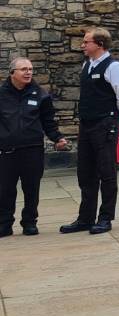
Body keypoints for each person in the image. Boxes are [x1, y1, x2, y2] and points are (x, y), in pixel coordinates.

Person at [61, 27, 119, 235]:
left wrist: (113, 119)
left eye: (86, 42)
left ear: (99, 44)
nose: (82, 45)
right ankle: (85, 217)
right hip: (87, 124)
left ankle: (105, 217)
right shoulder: (87, 65)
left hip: (105, 124)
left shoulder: (113, 67)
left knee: (106, 171)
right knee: (86, 172)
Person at [2, 57, 69, 237]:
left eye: (30, 69)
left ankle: (30, 222)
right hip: (6, 151)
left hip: (32, 149)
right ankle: (5, 223)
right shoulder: (2, 94)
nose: (28, 72)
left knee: (31, 188)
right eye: (23, 69)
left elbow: (48, 122)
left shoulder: (40, 95)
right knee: (5, 189)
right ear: (12, 73)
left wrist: (57, 138)